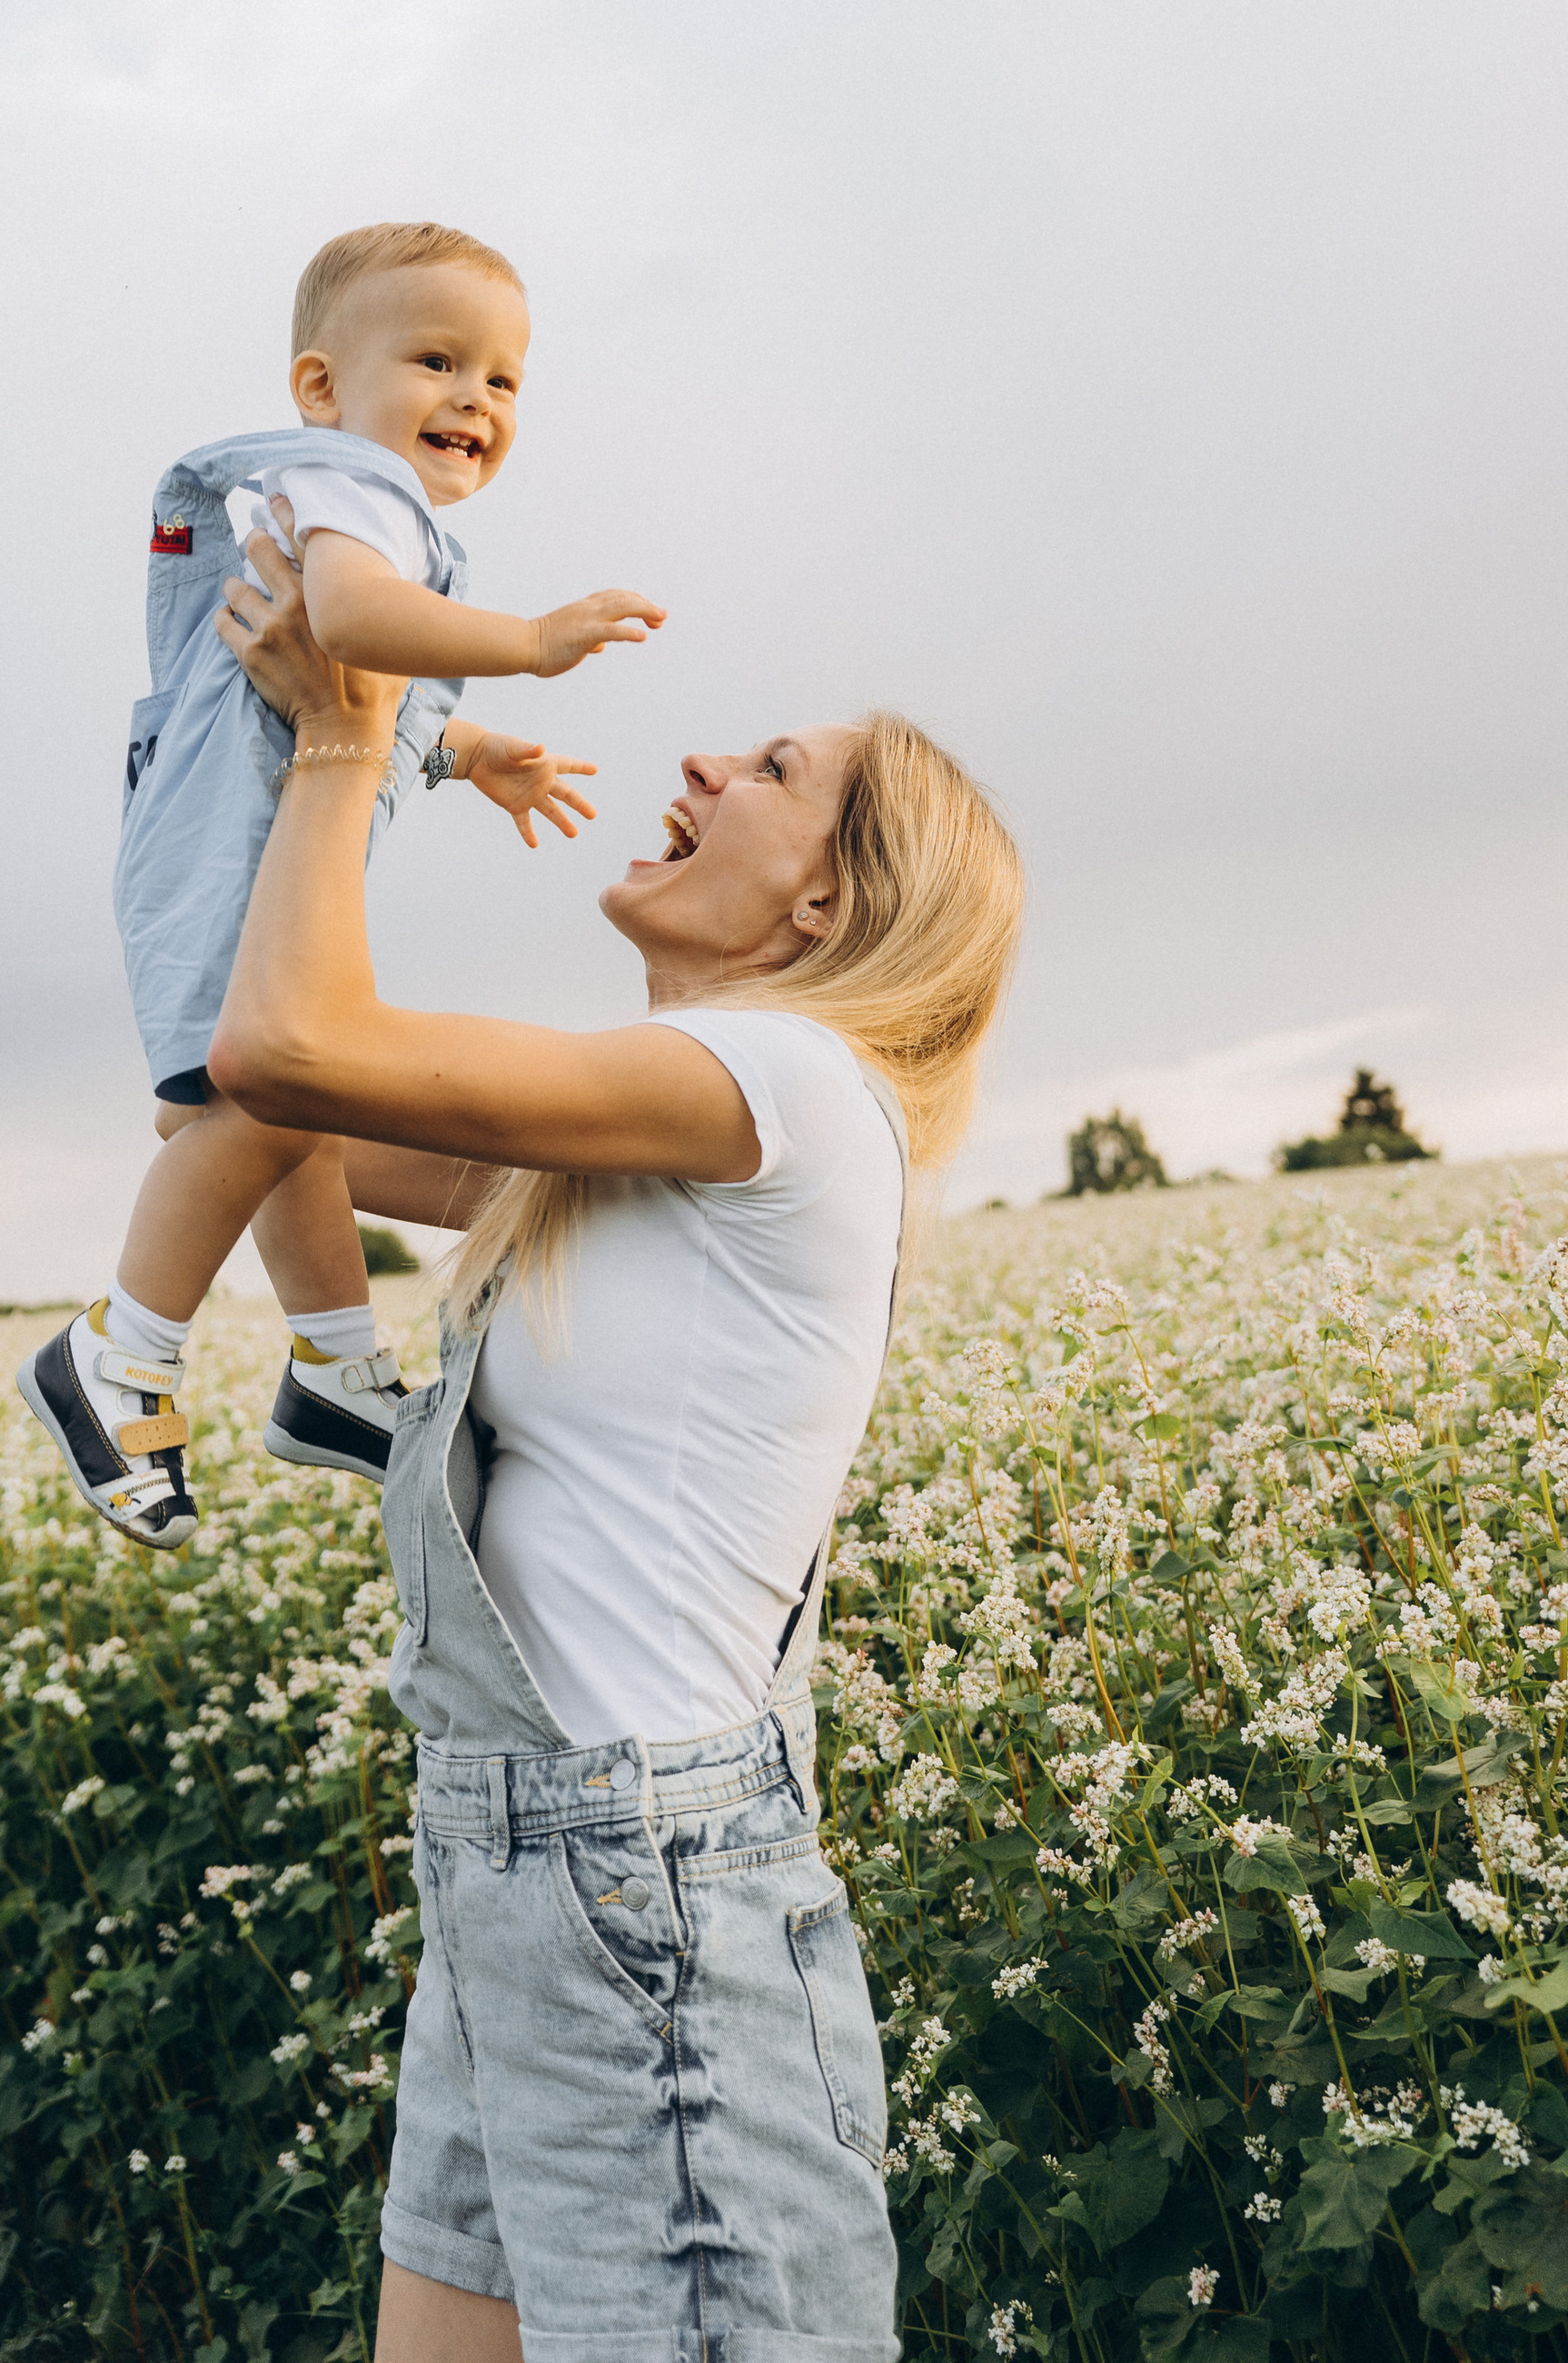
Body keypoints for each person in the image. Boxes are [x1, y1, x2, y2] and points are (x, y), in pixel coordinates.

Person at [203, 521, 1023, 2362]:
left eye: (772, 772)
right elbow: (239, 1106)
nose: (701, 766)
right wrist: (271, 746)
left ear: (823, 908)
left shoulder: (788, 1084)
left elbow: (279, 1057)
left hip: (645, 1897)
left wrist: (356, 731)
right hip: (516, 1865)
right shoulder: (630, 1146)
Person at [17, 220, 666, 1552]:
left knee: (287, 1103)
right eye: (438, 359)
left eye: (504, 380)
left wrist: (474, 748)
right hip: (220, 846)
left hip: (228, 836)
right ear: (324, 388)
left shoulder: (371, 511)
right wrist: (534, 646)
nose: (476, 399)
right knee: (260, 1088)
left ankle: (334, 1371)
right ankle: (119, 1353)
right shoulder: (357, 489)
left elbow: (376, 684)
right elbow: (359, 625)